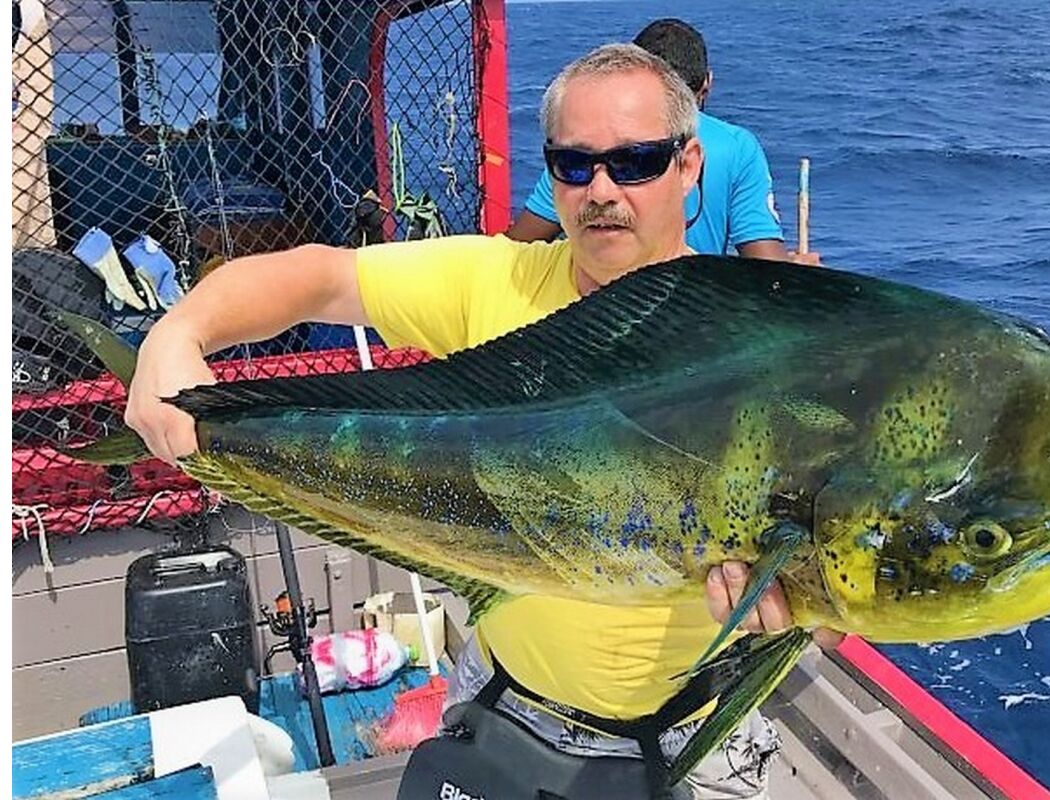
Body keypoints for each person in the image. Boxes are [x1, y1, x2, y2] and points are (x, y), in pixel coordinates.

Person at [125, 43, 839, 798]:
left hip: (696, 730)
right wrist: (177, 334)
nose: (601, 190)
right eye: (575, 164)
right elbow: (318, 277)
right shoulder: (495, 282)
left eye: (634, 163)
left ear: (688, 165)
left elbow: (838, 600)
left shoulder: (767, 345)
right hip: (504, 699)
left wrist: (807, 608)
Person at [508, 18, 820, 266]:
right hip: (693, 311)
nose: (602, 189)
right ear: (707, 84)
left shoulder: (584, 148)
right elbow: (767, 267)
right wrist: (797, 280)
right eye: (572, 164)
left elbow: (516, 251)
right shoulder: (737, 147)